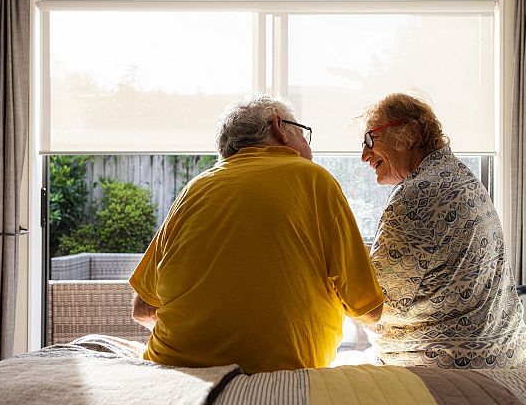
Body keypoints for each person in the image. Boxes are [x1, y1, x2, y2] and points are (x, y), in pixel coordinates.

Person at [129, 95, 384, 373]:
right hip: (280, 372)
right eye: (303, 133)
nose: (309, 149)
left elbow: (143, 310)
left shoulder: (196, 188)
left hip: (174, 369)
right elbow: (368, 310)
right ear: (279, 127)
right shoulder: (313, 179)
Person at [359, 93, 526, 369]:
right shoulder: (461, 177)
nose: (364, 155)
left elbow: (372, 305)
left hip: (454, 369)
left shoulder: (415, 196)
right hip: (509, 359)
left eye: (370, 139)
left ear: (411, 133)